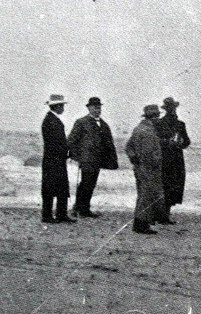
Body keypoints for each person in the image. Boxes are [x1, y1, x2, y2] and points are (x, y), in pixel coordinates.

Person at [67, 97, 118, 217]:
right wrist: (76, 156)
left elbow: (109, 142)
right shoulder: (81, 122)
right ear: (89, 108)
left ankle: (81, 208)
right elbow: (71, 140)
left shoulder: (104, 124)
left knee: (90, 183)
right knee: (86, 183)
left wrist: (111, 160)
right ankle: (81, 209)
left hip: (98, 160)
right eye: (95, 107)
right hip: (86, 159)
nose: (97, 109)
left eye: (99, 107)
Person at [126, 105, 165, 235]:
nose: (158, 119)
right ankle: (142, 225)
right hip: (149, 169)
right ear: (153, 117)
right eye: (157, 116)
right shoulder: (148, 132)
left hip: (139, 168)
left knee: (142, 195)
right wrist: (157, 162)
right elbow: (149, 154)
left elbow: (128, 147)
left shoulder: (138, 129)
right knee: (146, 196)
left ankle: (139, 223)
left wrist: (134, 159)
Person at [154, 97, 191, 224]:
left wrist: (180, 143)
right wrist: (169, 143)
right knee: (166, 186)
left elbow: (186, 142)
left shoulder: (179, 124)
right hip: (167, 158)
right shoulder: (160, 123)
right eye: (170, 108)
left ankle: (164, 215)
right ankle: (162, 215)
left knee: (171, 186)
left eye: (173, 108)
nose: (172, 110)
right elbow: (155, 141)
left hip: (173, 158)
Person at [40, 94, 75, 224]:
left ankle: (60, 214)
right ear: (57, 106)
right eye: (62, 105)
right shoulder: (51, 121)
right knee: (52, 188)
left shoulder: (50, 119)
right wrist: (67, 151)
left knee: (59, 187)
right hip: (54, 160)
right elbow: (56, 142)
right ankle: (49, 215)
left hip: (53, 159)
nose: (64, 108)